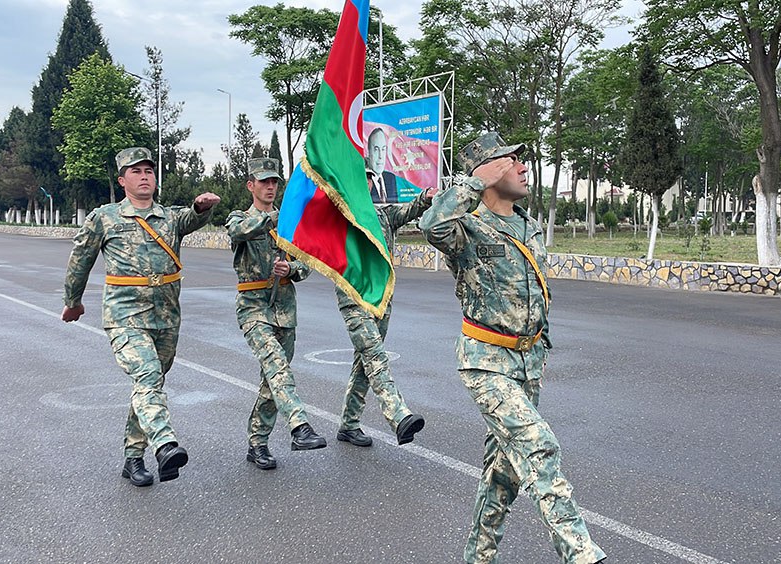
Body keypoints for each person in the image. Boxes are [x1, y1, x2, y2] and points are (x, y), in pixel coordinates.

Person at [419, 132, 606, 564]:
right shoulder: (465, 227)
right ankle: (580, 553)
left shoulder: (530, 226)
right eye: (511, 160)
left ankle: (478, 557)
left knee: (504, 474)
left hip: (529, 361)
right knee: (539, 447)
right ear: (489, 169)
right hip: (486, 362)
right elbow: (431, 226)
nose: (523, 167)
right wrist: (473, 183)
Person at [61, 147, 220, 487]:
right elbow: (80, 260)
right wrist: (72, 301)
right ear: (122, 180)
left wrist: (201, 207)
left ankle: (133, 458)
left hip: (166, 316)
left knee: (149, 384)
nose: (145, 175)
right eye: (136, 171)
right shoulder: (104, 217)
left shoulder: (169, 217)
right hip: (124, 314)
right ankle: (165, 444)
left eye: (149, 170)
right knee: (147, 375)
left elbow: (191, 219)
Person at [226, 157, 326, 471]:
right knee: (276, 365)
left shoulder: (289, 221)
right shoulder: (241, 218)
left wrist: (291, 268)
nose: (270, 187)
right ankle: (299, 426)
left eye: (274, 182)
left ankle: (257, 444)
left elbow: (306, 263)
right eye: (264, 182)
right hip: (254, 308)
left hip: (285, 310)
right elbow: (239, 232)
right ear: (250, 185)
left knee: (272, 382)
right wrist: (276, 221)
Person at [335, 170, 436, 448]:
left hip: (381, 299)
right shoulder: (339, 215)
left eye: (368, 177)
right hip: (353, 297)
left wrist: (425, 198)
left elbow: (410, 210)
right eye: (360, 176)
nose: (365, 181)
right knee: (375, 355)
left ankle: (349, 424)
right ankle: (398, 415)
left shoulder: (384, 214)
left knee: (364, 363)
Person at [366, 127, 399, 204]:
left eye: (383, 149)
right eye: (376, 149)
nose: (380, 156)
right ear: (368, 152)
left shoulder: (390, 178)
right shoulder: (364, 181)